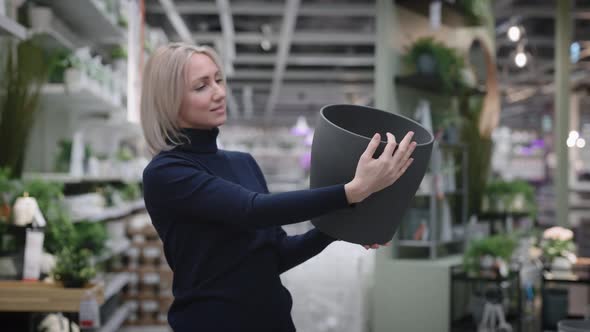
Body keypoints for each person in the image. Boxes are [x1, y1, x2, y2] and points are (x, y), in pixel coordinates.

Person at [140, 42, 417, 332]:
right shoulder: (166, 173)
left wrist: (342, 225)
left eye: (219, 80)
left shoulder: (243, 163)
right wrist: (350, 192)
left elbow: (277, 254)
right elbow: (251, 210)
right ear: (169, 100)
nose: (219, 93)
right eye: (201, 86)